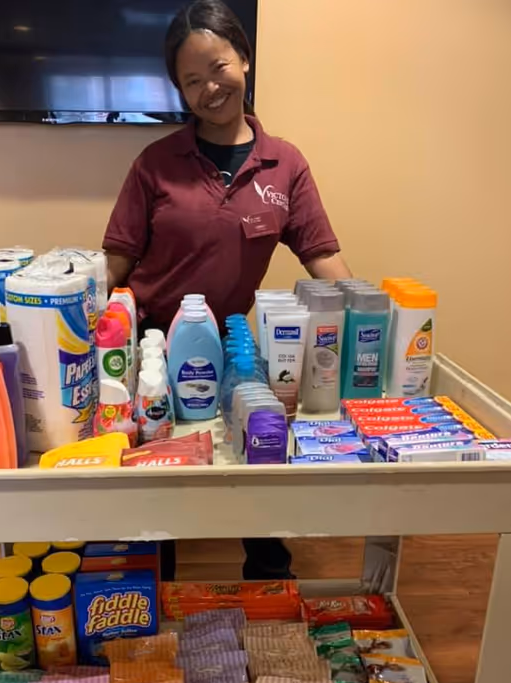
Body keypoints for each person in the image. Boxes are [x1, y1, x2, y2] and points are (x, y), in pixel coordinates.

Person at [103, 0, 352, 580]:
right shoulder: (155, 164)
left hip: (238, 348)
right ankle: (151, 585)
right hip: (154, 350)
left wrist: (373, 327)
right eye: (191, 81)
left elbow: (324, 259)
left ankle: (269, 577)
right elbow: (114, 264)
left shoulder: (284, 164)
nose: (209, 88)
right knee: (154, 484)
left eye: (217, 67)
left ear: (243, 57)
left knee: (254, 456)